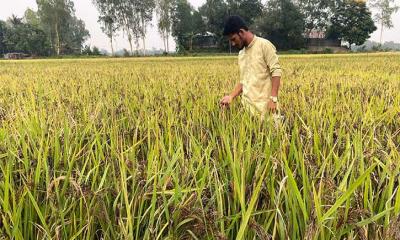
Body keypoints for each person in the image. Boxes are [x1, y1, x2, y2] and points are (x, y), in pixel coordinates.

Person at [219, 15, 282, 119]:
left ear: (241, 32)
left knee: (272, 134)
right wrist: (231, 96)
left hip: (266, 109)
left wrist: (273, 99)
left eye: (233, 39)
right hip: (247, 111)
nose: (233, 43)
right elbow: (244, 81)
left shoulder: (264, 45)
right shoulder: (241, 54)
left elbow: (276, 72)